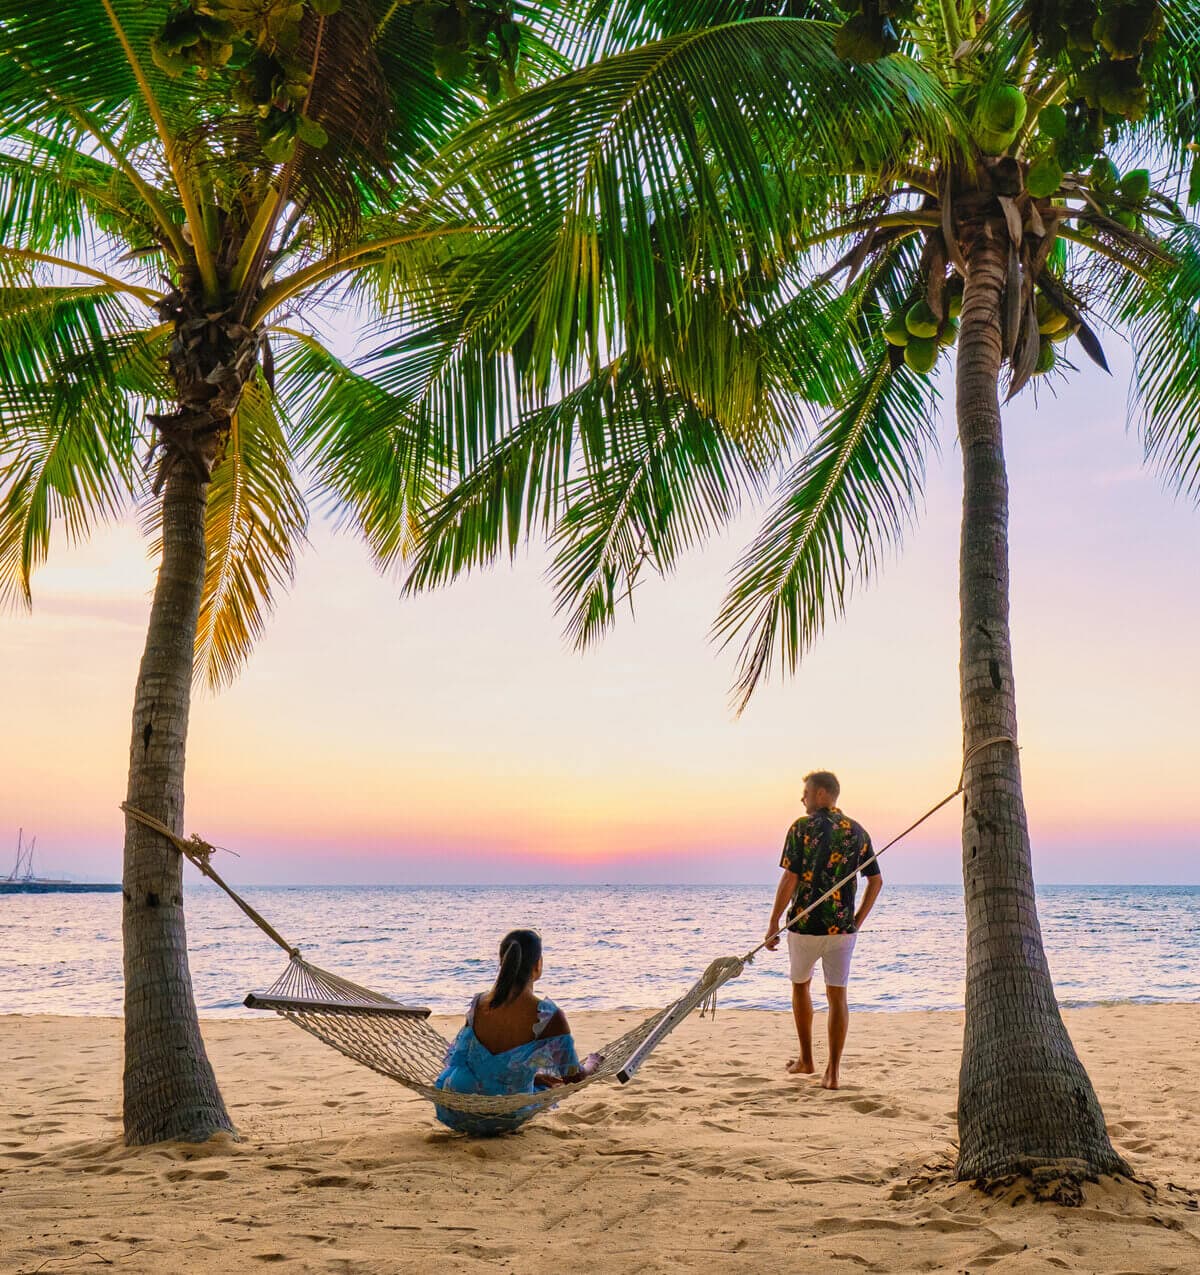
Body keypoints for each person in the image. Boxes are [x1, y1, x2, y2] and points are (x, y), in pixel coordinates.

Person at [764, 770, 882, 1090]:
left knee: (801, 986)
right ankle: (833, 1072)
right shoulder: (857, 831)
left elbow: (790, 879)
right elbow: (876, 880)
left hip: (804, 925)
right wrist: (857, 920)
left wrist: (774, 922)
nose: (802, 799)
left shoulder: (802, 827)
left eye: (805, 792)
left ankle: (806, 1060)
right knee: (837, 995)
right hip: (842, 929)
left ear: (820, 794)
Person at [434, 929, 600, 1135]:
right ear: (538, 965)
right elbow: (573, 1078)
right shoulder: (548, 1016)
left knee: (541, 1083)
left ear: (502, 962)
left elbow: (468, 1059)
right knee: (544, 1088)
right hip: (504, 1114)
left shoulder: (479, 1003)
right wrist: (593, 1064)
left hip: (455, 1107)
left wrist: (537, 1076)